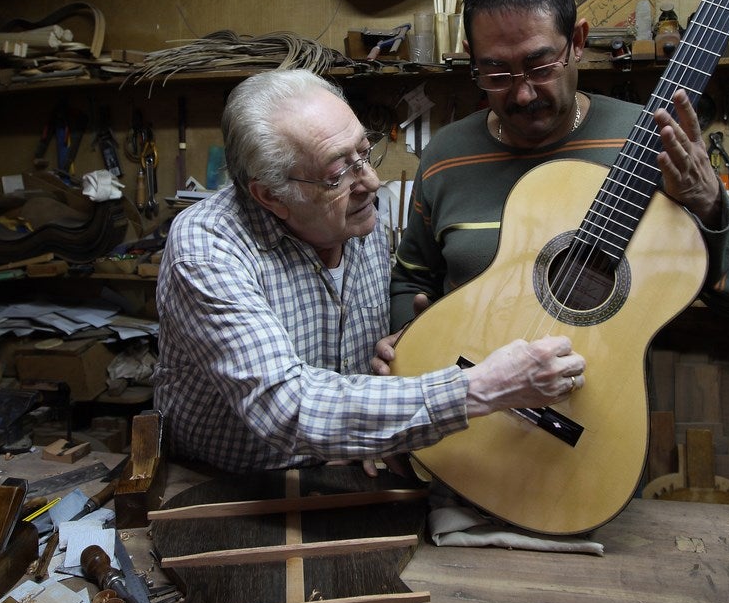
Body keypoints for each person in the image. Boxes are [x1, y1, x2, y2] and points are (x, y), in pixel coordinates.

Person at [153, 68, 587, 473]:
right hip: (226, 485)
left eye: (364, 152)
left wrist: (411, 348)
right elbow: (286, 408)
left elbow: (359, 362)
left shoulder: (358, 217)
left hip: (347, 473)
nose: (371, 182)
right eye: (337, 173)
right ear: (270, 196)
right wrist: (482, 387)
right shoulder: (208, 248)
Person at [388, 0, 729, 332]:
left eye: (540, 66)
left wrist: (709, 203)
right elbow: (410, 281)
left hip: (603, 390)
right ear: (471, 56)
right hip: (472, 383)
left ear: (577, 41)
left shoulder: (652, 143)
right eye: (497, 73)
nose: (523, 93)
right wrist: (407, 341)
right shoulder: (445, 155)